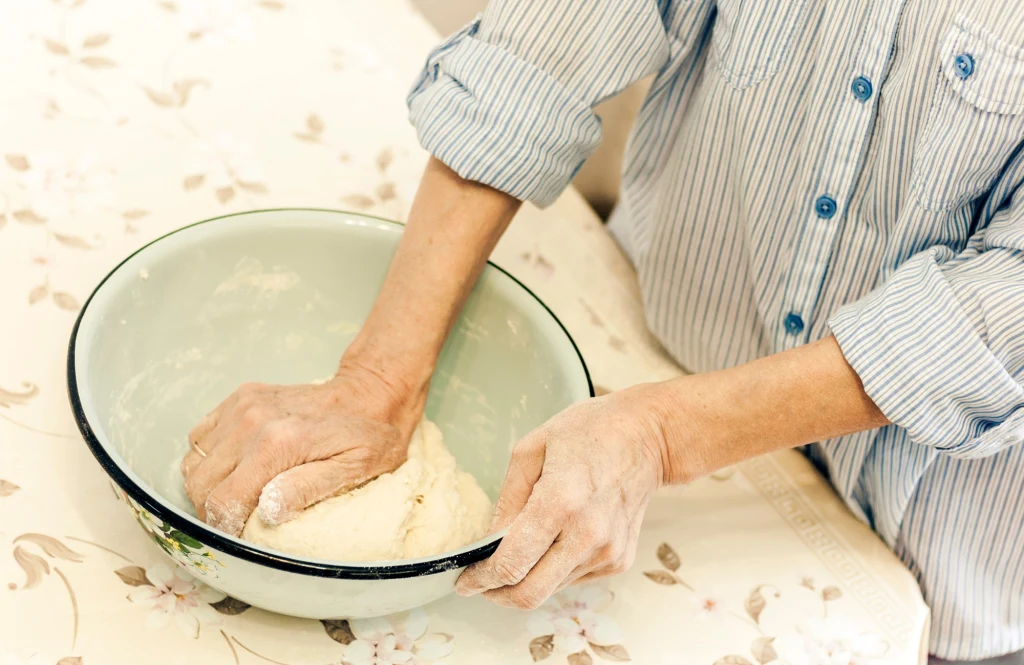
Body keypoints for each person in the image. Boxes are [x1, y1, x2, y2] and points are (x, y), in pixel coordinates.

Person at [180, 0, 1024, 661]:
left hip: (939, 553)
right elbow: (550, 37)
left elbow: (996, 310)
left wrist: (660, 433)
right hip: (653, 348)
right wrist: (378, 379)